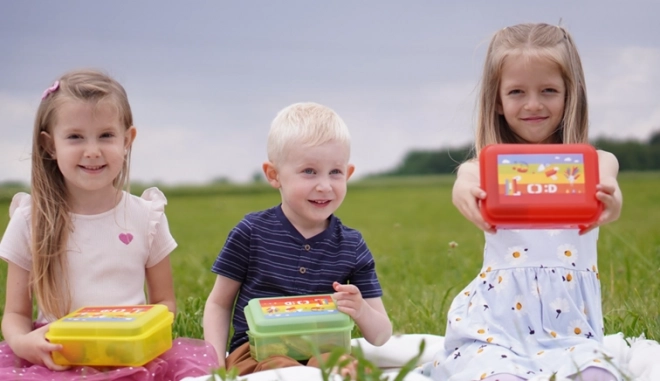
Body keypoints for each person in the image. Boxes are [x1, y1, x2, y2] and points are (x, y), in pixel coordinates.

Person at [420, 23, 624, 381]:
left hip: (572, 332)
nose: (533, 104)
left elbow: (610, 189)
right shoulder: (485, 168)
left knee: (597, 375)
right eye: (516, 91)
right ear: (497, 100)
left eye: (548, 90)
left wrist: (610, 201)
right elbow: (465, 181)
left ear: (569, 94)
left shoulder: (594, 162)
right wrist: (464, 191)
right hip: (496, 328)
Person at [0, 69, 218, 381]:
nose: (92, 151)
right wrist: (24, 343)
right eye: (75, 137)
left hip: (134, 358)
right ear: (50, 146)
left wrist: (140, 336)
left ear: (127, 140)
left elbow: (164, 301)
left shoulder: (146, 216)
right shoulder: (31, 219)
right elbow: (15, 314)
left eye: (106, 135)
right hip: (58, 358)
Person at [203, 102, 392, 376]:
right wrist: (215, 363)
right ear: (274, 175)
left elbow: (381, 335)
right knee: (281, 371)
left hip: (326, 348)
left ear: (348, 174)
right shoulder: (251, 232)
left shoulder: (352, 245)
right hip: (257, 351)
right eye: (309, 171)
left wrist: (360, 309)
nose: (324, 185)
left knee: (343, 368)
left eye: (335, 172)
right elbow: (219, 303)